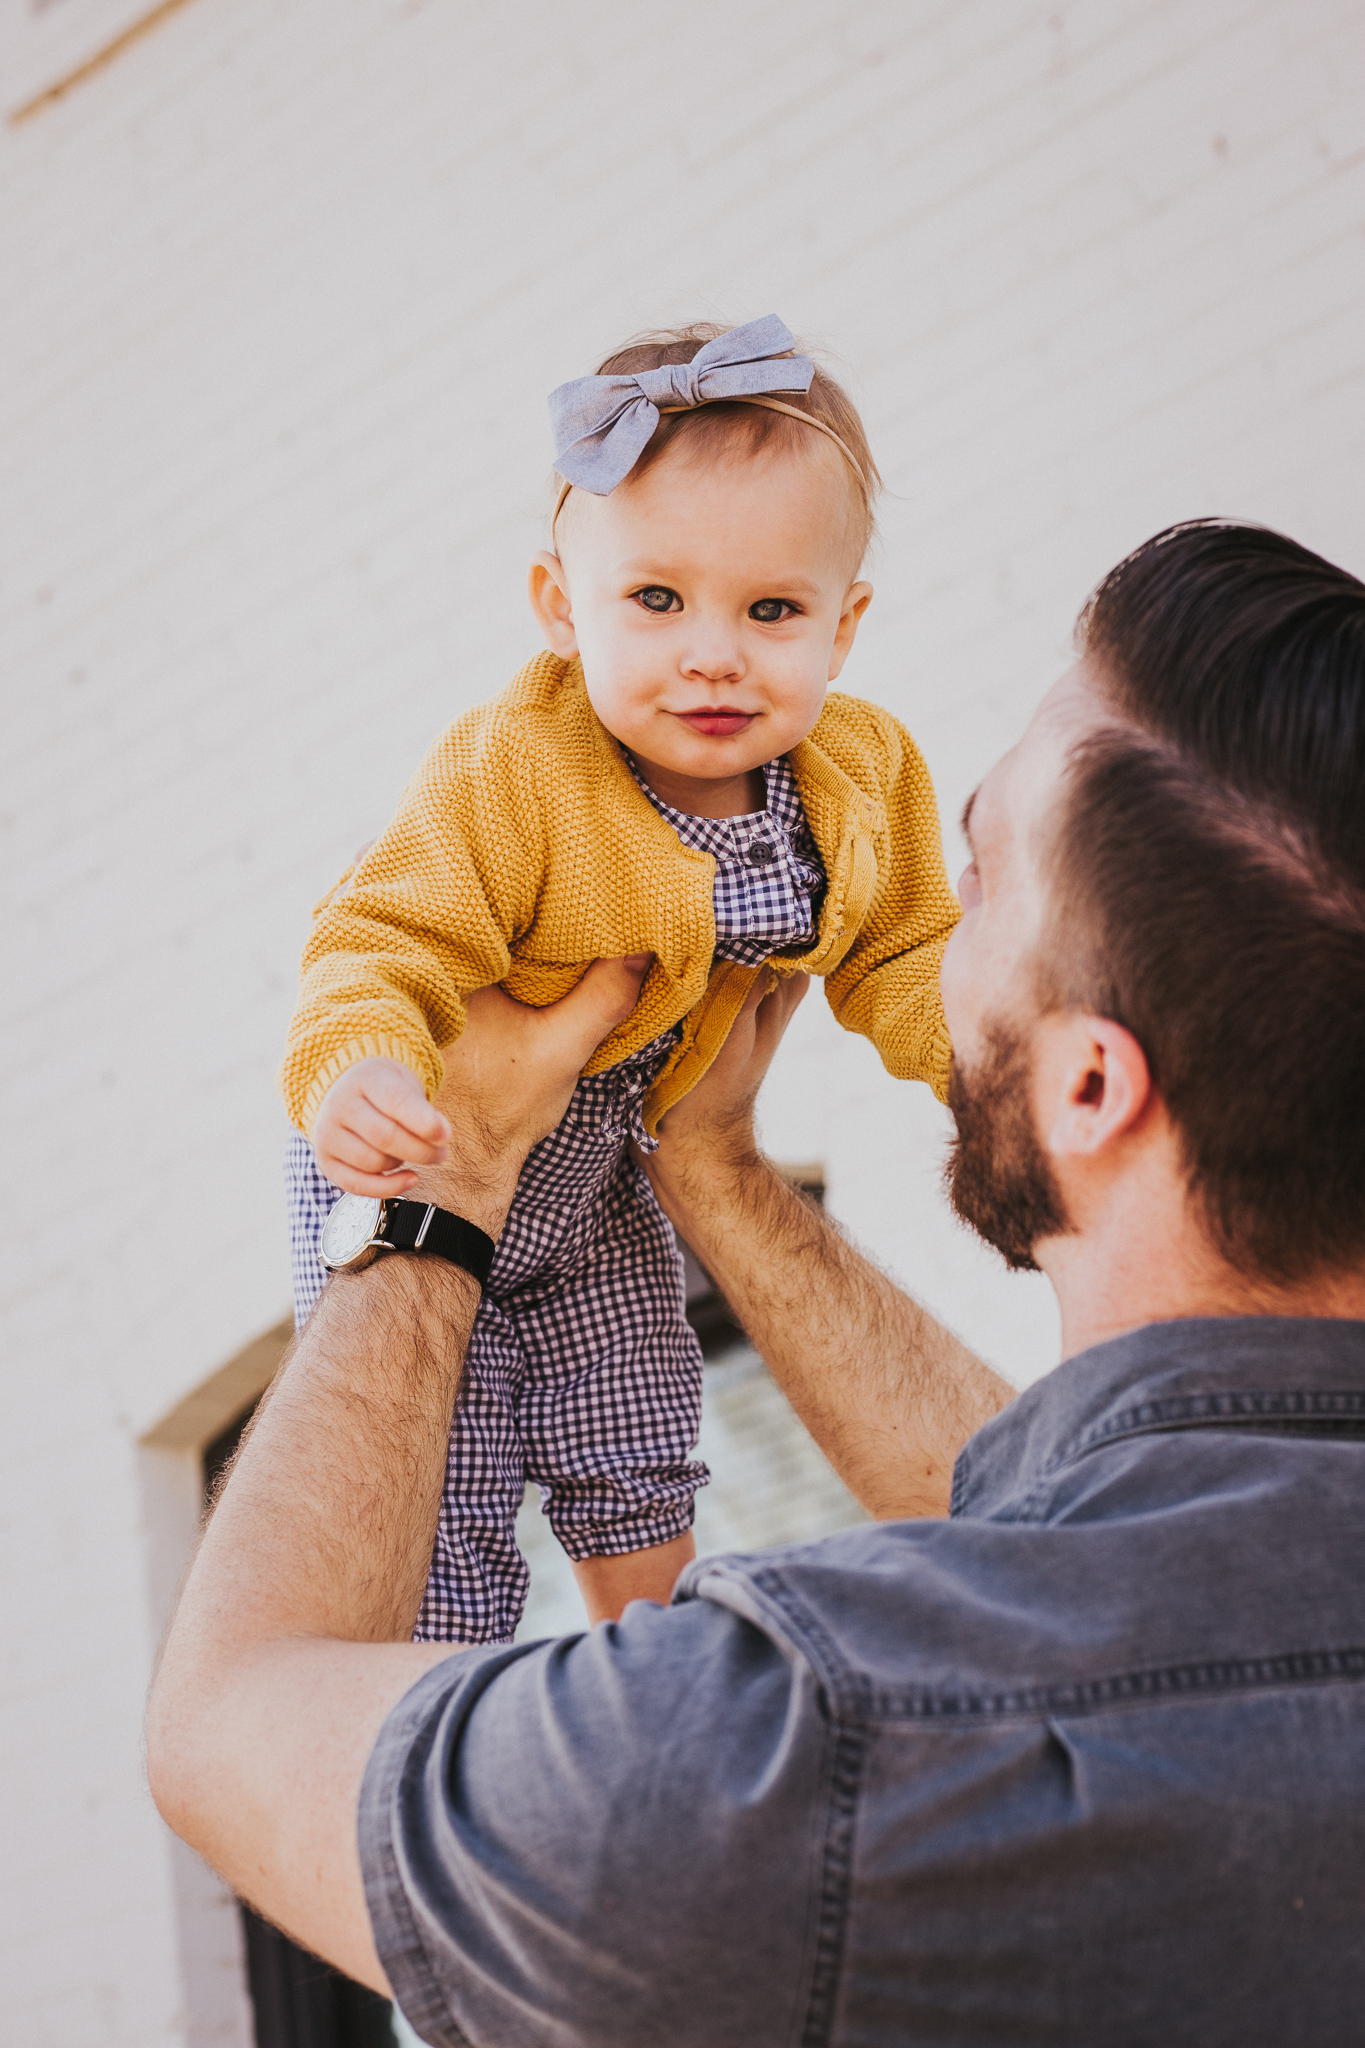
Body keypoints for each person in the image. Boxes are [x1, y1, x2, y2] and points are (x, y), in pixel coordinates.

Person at [149, 521, 1365, 2045]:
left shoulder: (792, 1755)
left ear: (1089, 1089)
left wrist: (442, 1190)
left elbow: (233, 1719)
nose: (932, 922)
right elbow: (1092, 1558)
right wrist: (713, 1168)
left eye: (976, 883)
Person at [280, 314, 959, 1644]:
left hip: (594, 1178)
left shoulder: (858, 780)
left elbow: (907, 952)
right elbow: (380, 939)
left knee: (636, 1427)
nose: (713, 653)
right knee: (441, 1495)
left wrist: (997, 1067)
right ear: (558, 609)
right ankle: (422, 1721)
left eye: (772, 611)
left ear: (844, 624)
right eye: (656, 601)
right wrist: (358, 1063)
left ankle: (648, 1670)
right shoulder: (513, 771)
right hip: (420, 1162)